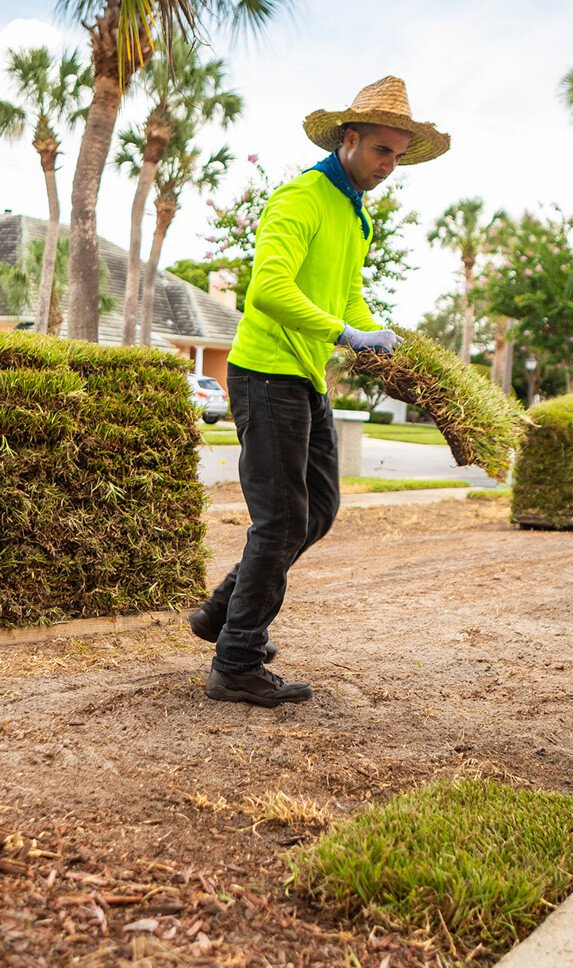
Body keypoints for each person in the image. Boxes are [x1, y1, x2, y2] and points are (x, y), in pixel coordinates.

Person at [189, 76, 450, 707]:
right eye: (383, 151)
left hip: (306, 377)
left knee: (318, 511)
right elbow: (269, 291)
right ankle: (237, 661)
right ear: (350, 139)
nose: (391, 166)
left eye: (399, 156)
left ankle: (221, 616)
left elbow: (346, 294)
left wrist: (373, 329)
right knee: (279, 521)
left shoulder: (356, 215)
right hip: (265, 372)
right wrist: (345, 333)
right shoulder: (301, 199)